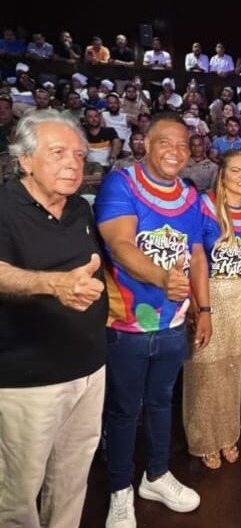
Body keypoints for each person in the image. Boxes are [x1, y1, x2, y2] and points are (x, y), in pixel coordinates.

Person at [94, 113, 212, 527]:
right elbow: (121, 245)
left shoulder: (190, 196)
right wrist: (163, 278)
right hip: (125, 327)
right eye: (166, 142)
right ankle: (120, 490)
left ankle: (156, 475)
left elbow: (197, 255)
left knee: (162, 402)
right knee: (124, 409)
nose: (176, 151)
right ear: (144, 143)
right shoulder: (121, 184)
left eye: (183, 144)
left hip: (173, 325)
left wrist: (204, 309)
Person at [0, 110, 108, 528]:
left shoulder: (79, 208)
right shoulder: (5, 207)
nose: (73, 164)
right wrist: (51, 284)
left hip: (88, 367)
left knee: (73, 477)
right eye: (58, 152)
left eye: (79, 155)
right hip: (30, 377)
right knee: (18, 492)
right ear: (25, 159)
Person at [183, 149, 241, 469]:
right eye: (236, 170)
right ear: (222, 175)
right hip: (208, 292)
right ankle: (203, 439)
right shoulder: (203, 205)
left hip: (238, 293)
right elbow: (190, 254)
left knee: (230, 366)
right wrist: (196, 303)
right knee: (203, 368)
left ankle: (227, 433)